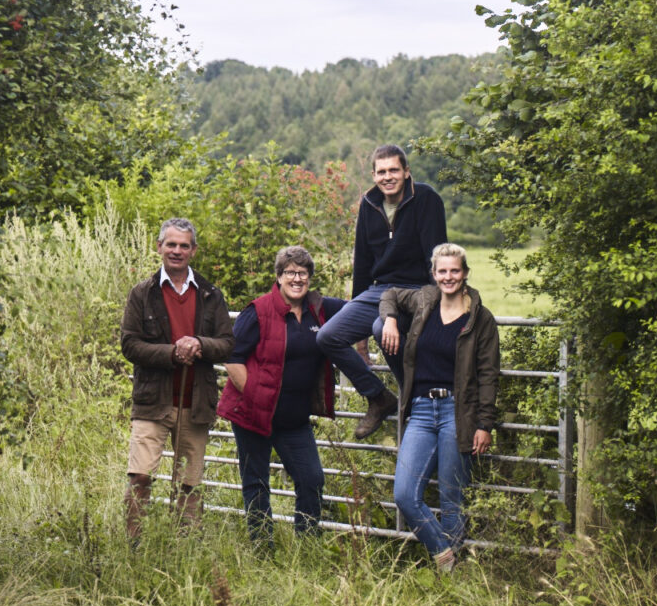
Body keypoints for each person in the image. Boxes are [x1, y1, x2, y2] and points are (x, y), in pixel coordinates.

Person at [379, 242, 499, 572]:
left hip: (457, 414)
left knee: (451, 500)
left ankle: (450, 578)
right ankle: (446, 555)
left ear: (465, 273)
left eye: (455, 271)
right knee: (404, 494)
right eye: (442, 271)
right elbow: (389, 294)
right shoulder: (424, 301)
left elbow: (489, 374)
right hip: (419, 410)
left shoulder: (480, 319)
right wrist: (389, 320)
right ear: (433, 274)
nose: (448, 277)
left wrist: (484, 424)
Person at [218, 245, 346, 547]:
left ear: (310, 278)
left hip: (295, 418)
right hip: (253, 413)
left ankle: (308, 545)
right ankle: (262, 549)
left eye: (303, 273)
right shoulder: (258, 311)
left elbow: (360, 310)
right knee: (257, 483)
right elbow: (232, 357)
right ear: (279, 277)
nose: (297, 279)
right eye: (290, 273)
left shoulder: (320, 310)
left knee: (311, 479)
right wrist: (255, 397)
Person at [316, 143, 447, 439]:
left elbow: (437, 256)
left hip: (417, 289)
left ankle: (413, 400)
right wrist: (358, 336)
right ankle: (379, 397)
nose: (388, 177)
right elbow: (363, 263)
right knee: (327, 336)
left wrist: (441, 303)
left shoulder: (425, 199)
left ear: (406, 172)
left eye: (394, 170)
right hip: (379, 289)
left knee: (381, 328)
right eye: (382, 171)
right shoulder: (369, 204)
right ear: (374, 175)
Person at [120, 218, 234, 540]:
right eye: (171, 244)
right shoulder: (142, 293)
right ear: (159, 247)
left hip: (195, 402)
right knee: (140, 477)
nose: (177, 251)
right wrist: (172, 353)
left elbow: (227, 343)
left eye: (184, 245)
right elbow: (129, 344)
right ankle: (135, 545)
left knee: (188, 482)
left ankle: (184, 545)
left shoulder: (211, 294)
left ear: (193, 251)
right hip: (153, 401)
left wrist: (199, 344)